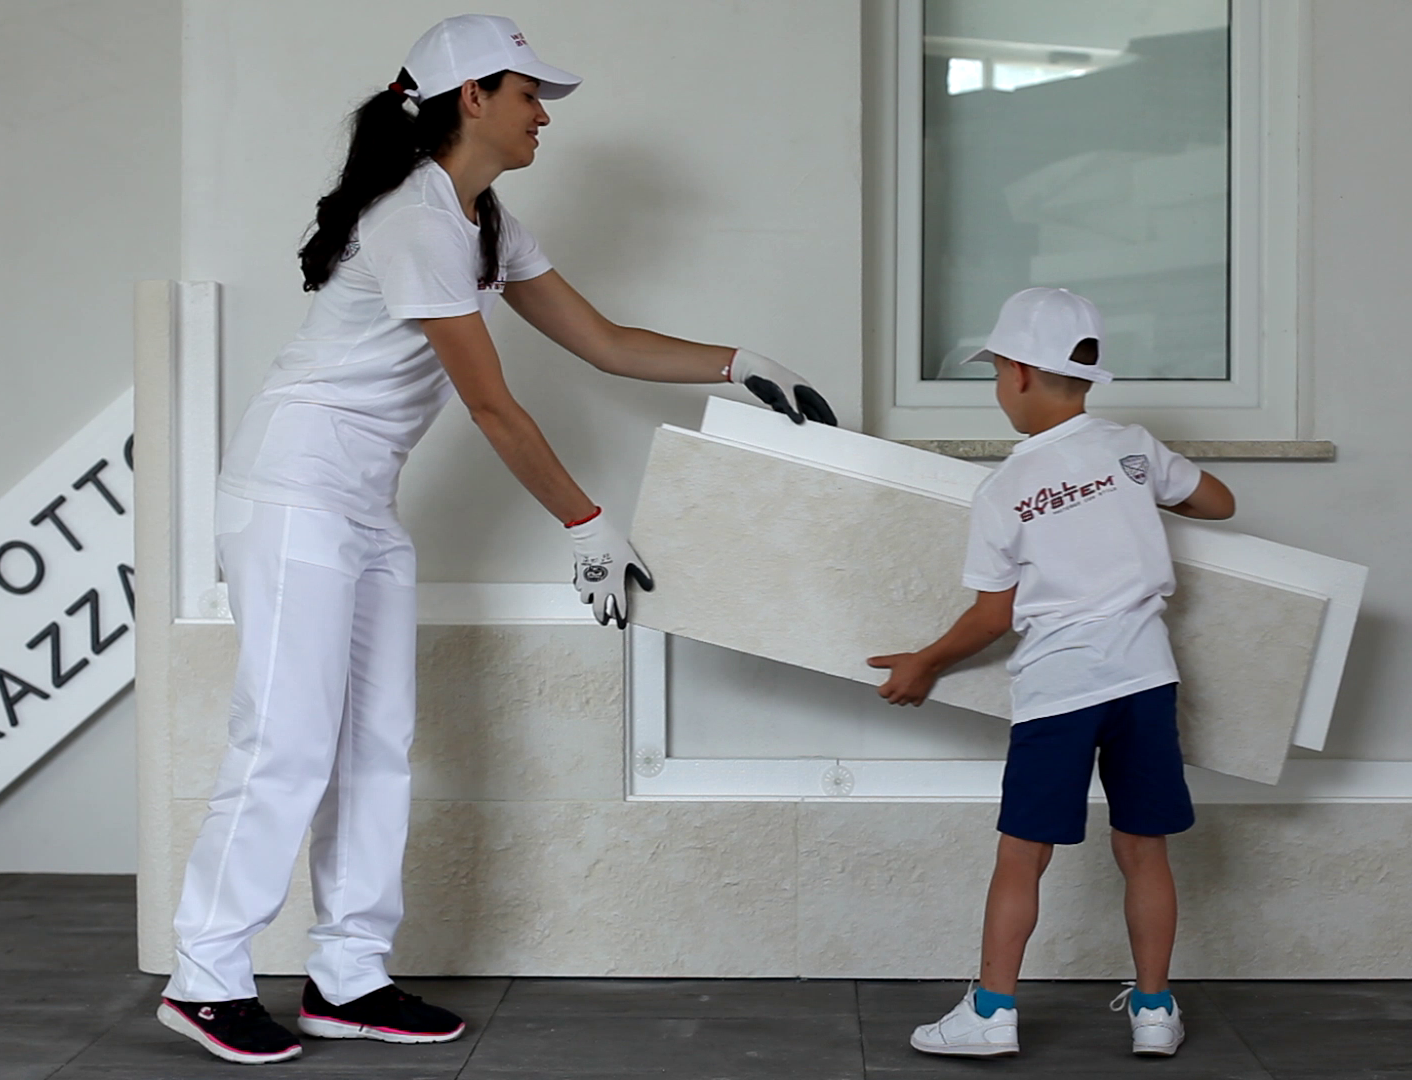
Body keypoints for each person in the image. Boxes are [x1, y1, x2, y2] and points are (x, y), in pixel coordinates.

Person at [156, 14, 836, 1066]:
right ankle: (206, 975)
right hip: (292, 496)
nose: (545, 115)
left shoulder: (481, 220)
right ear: (470, 96)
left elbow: (602, 341)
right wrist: (587, 521)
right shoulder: (415, 221)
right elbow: (493, 407)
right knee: (287, 739)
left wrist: (742, 360)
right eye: (529, 94)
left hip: (361, 505)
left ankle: (349, 976)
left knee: (378, 742)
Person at [866, 287, 1233, 1060]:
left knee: (1022, 854)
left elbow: (992, 617)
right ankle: (1156, 1012)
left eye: (996, 370)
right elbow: (1219, 502)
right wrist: (1137, 493)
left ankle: (992, 1012)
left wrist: (923, 663)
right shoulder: (1133, 447)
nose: (999, 387)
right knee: (1144, 847)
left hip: (1059, 691)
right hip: (1143, 681)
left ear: (1022, 374)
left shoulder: (1003, 490)